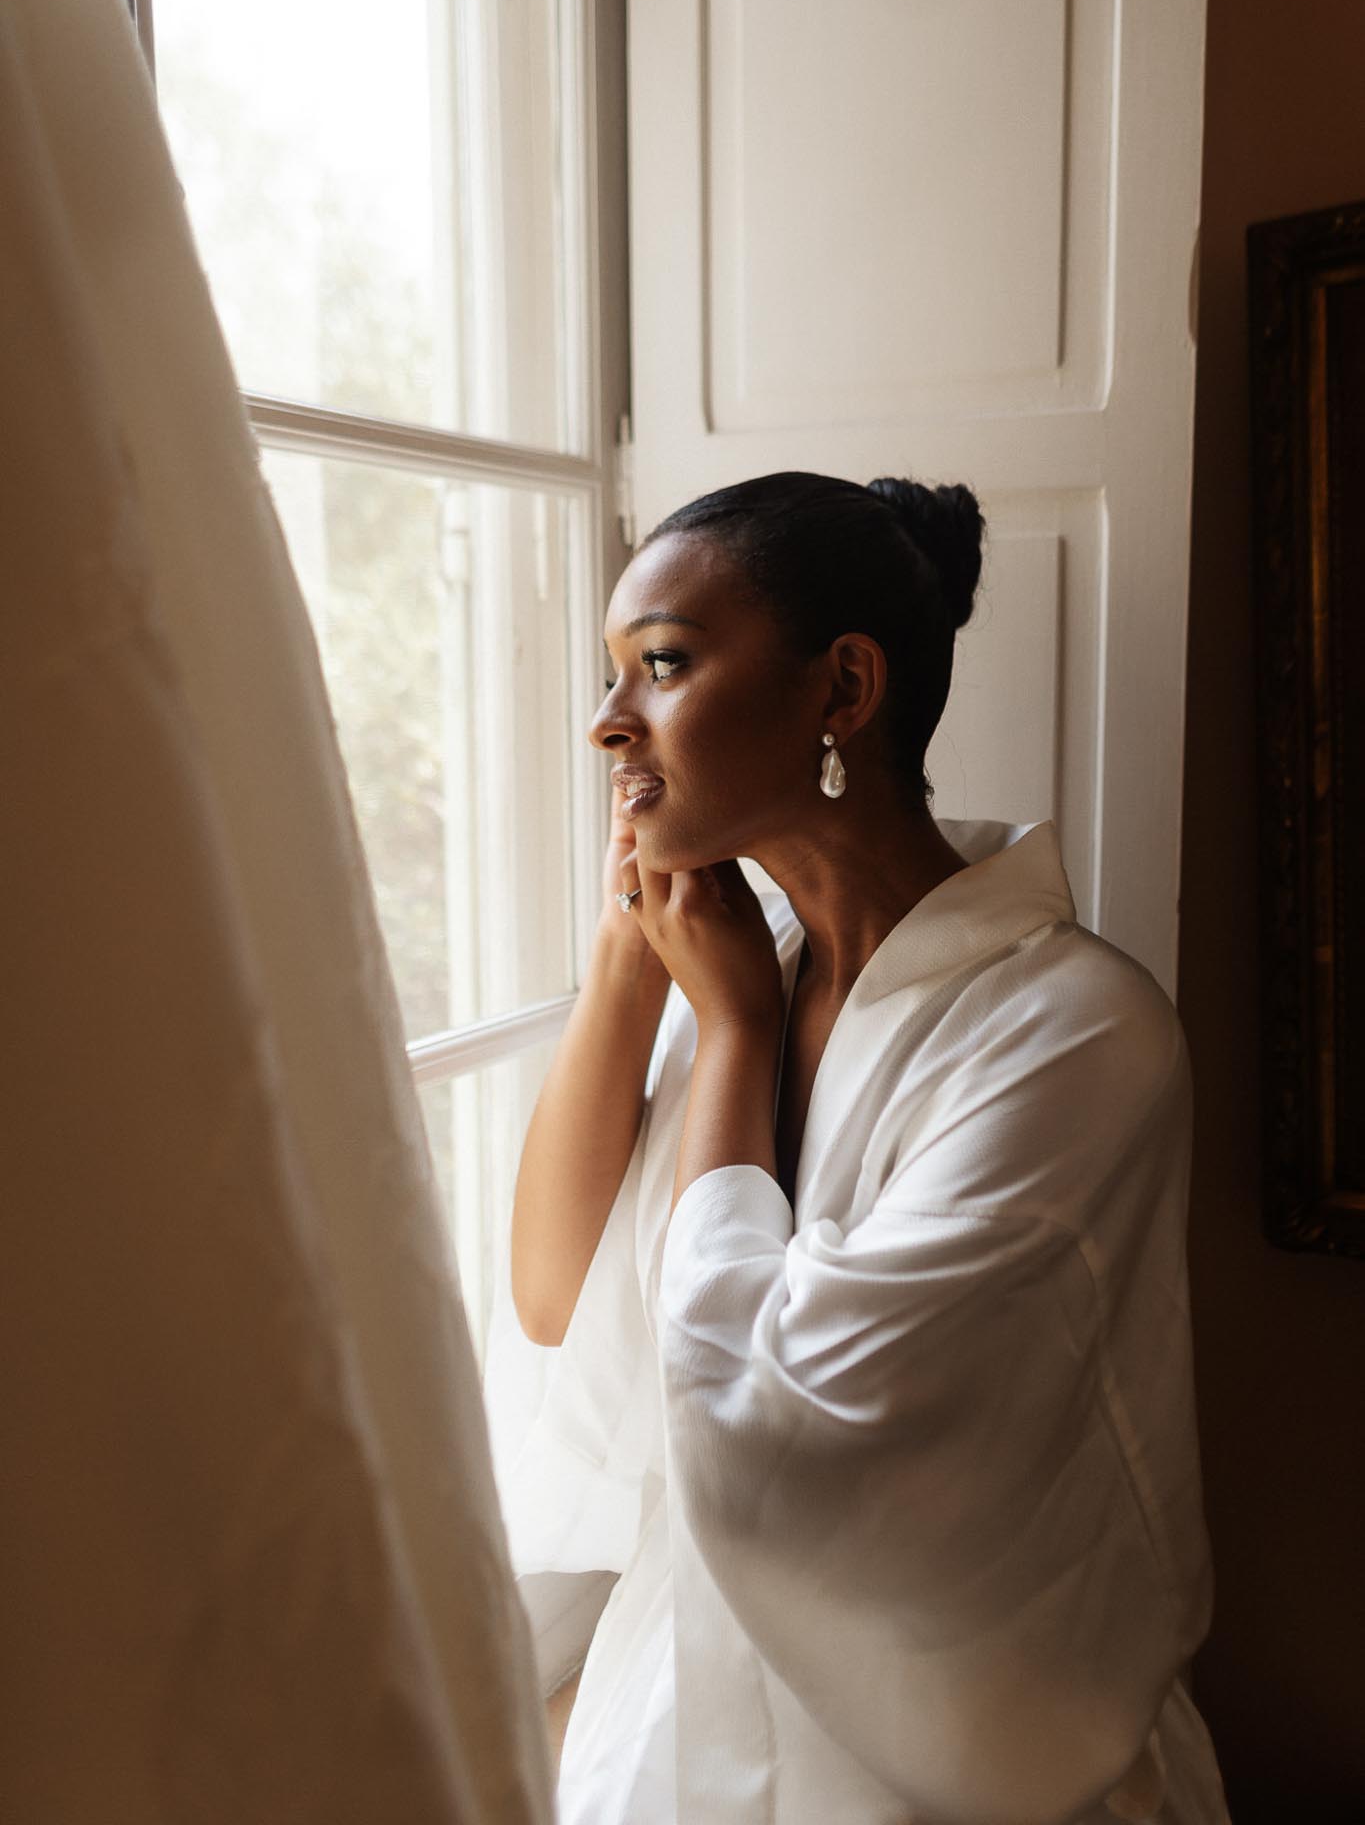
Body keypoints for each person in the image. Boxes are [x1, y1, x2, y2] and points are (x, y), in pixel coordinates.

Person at [482, 471, 1231, 1825]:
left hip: (943, 1759)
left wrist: (730, 1042)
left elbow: (783, 1434)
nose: (606, 724)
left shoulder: (1073, 1034)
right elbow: (554, 1302)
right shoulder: (743, 980)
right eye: (613, 676)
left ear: (841, 689)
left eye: (660, 666)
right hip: (663, 1727)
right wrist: (628, 958)